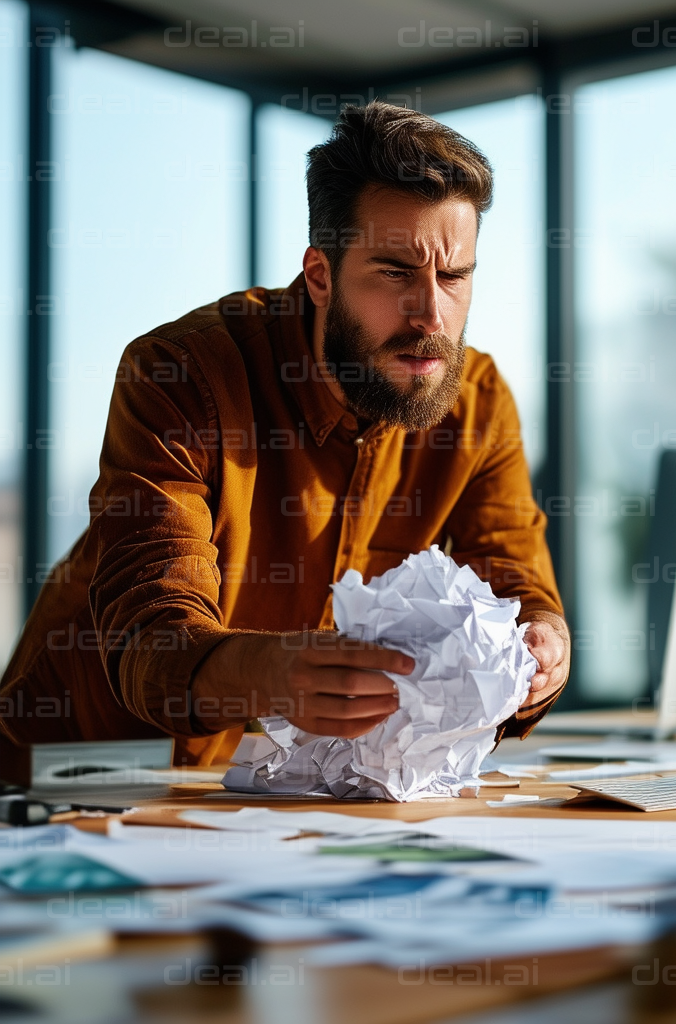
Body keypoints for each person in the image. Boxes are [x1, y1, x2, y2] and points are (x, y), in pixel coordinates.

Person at [0, 101, 569, 766]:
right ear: (321, 276)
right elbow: (150, 631)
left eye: (453, 276)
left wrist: (540, 645)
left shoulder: (478, 400)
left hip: (286, 789)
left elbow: (513, 580)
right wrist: (269, 672)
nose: (430, 315)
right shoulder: (181, 374)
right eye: (394, 273)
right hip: (76, 781)